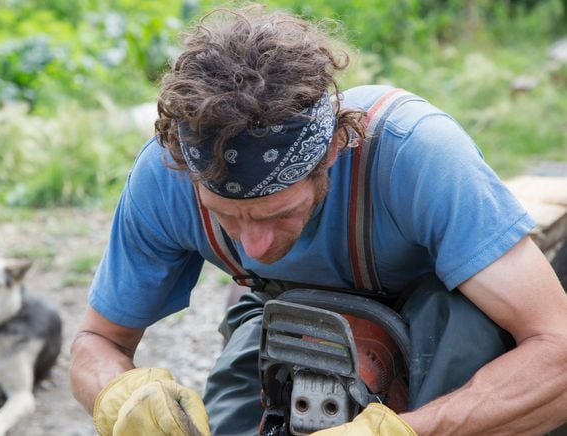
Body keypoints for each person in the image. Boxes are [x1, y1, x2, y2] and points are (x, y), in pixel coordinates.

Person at [70, 5, 567, 435]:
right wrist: (120, 394)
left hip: (440, 313)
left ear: (331, 151)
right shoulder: (167, 175)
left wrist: (410, 430)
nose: (255, 248)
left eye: (278, 214)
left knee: (460, 337)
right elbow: (96, 342)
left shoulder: (416, 154)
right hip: (285, 311)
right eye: (227, 218)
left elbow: (558, 349)